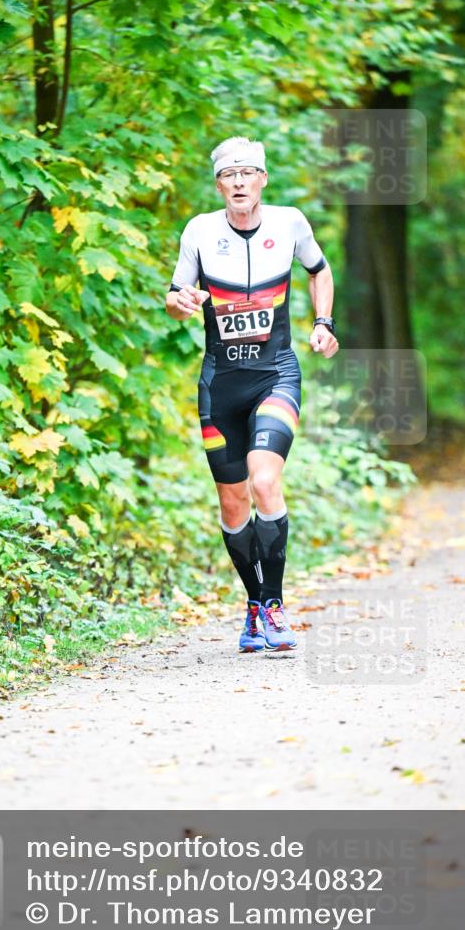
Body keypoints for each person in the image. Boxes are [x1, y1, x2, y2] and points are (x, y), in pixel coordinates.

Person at [165, 136, 338, 654]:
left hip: (275, 374)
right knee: (233, 501)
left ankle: (275, 605)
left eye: (247, 173)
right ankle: (254, 604)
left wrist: (324, 321)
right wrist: (184, 303)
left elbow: (319, 270)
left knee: (265, 481)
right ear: (219, 184)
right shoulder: (199, 231)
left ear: (262, 179)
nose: (238, 182)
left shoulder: (290, 224)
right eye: (228, 175)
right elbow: (175, 297)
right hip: (221, 385)